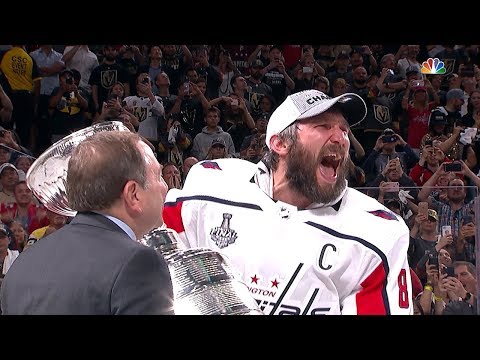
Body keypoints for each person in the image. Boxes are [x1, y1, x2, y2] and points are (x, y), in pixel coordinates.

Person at [163, 89, 413, 315]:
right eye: (324, 126)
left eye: (345, 130)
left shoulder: (377, 232)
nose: (341, 138)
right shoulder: (211, 185)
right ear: (280, 143)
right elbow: (158, 283)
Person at [0, 130, 174, 315]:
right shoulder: (140, 263)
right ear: (133, 194)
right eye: (158, 176)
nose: (165, 187)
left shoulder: (24, 263)